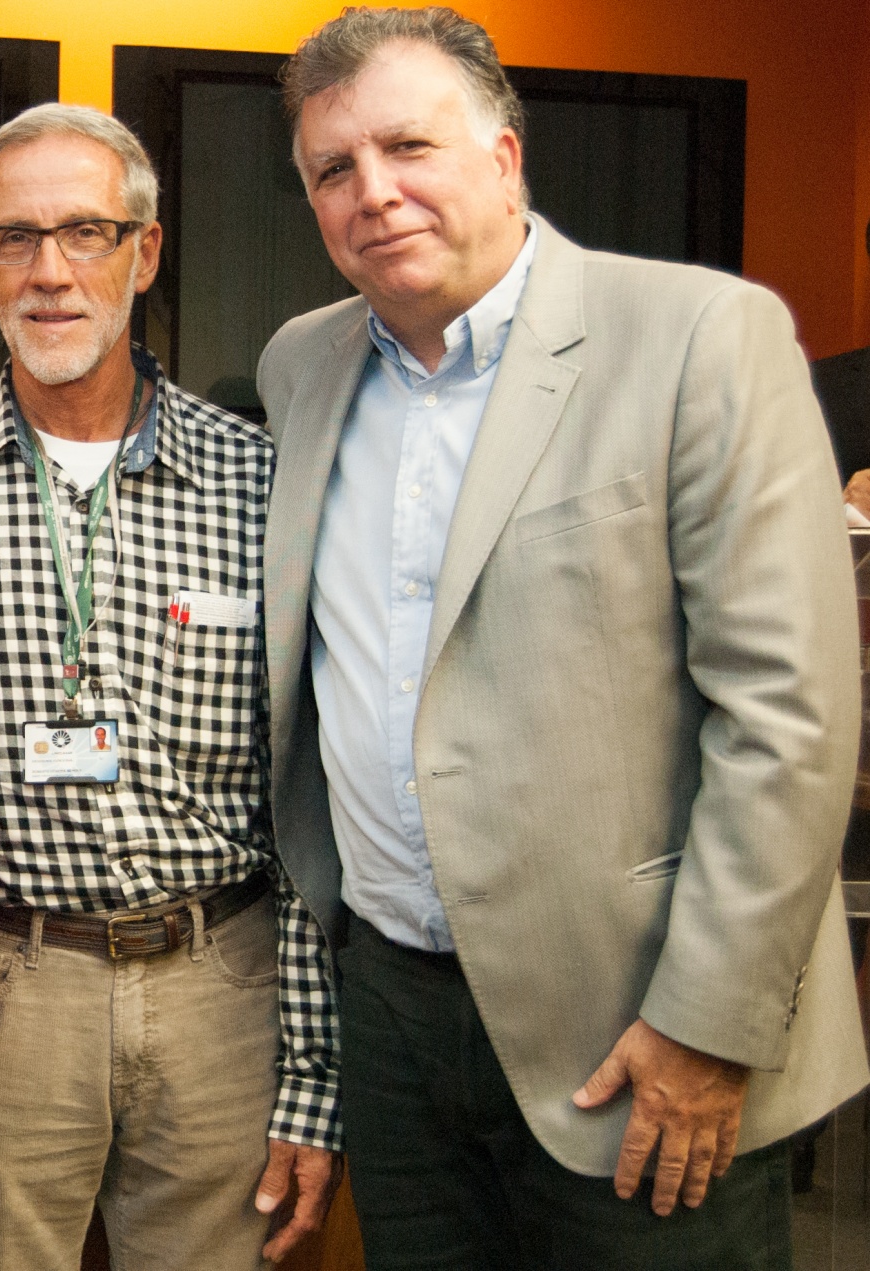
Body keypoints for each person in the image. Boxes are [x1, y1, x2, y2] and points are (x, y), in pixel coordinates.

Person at [258, 8, 870, 1265]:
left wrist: (706, 1019)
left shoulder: (701, 335)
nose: (372, 192)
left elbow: (788, 714)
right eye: (332, 168)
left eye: (407, 146)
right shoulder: (300, 367)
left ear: (501, 154)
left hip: (637, 1024)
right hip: (394, 1019)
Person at [0, 103, 340, 1270]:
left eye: (85, 231)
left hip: (226, 982)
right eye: (13, 238)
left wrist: (313, 1077)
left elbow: (317, 798)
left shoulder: (261, 479)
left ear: (145, 250)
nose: (50, 271)